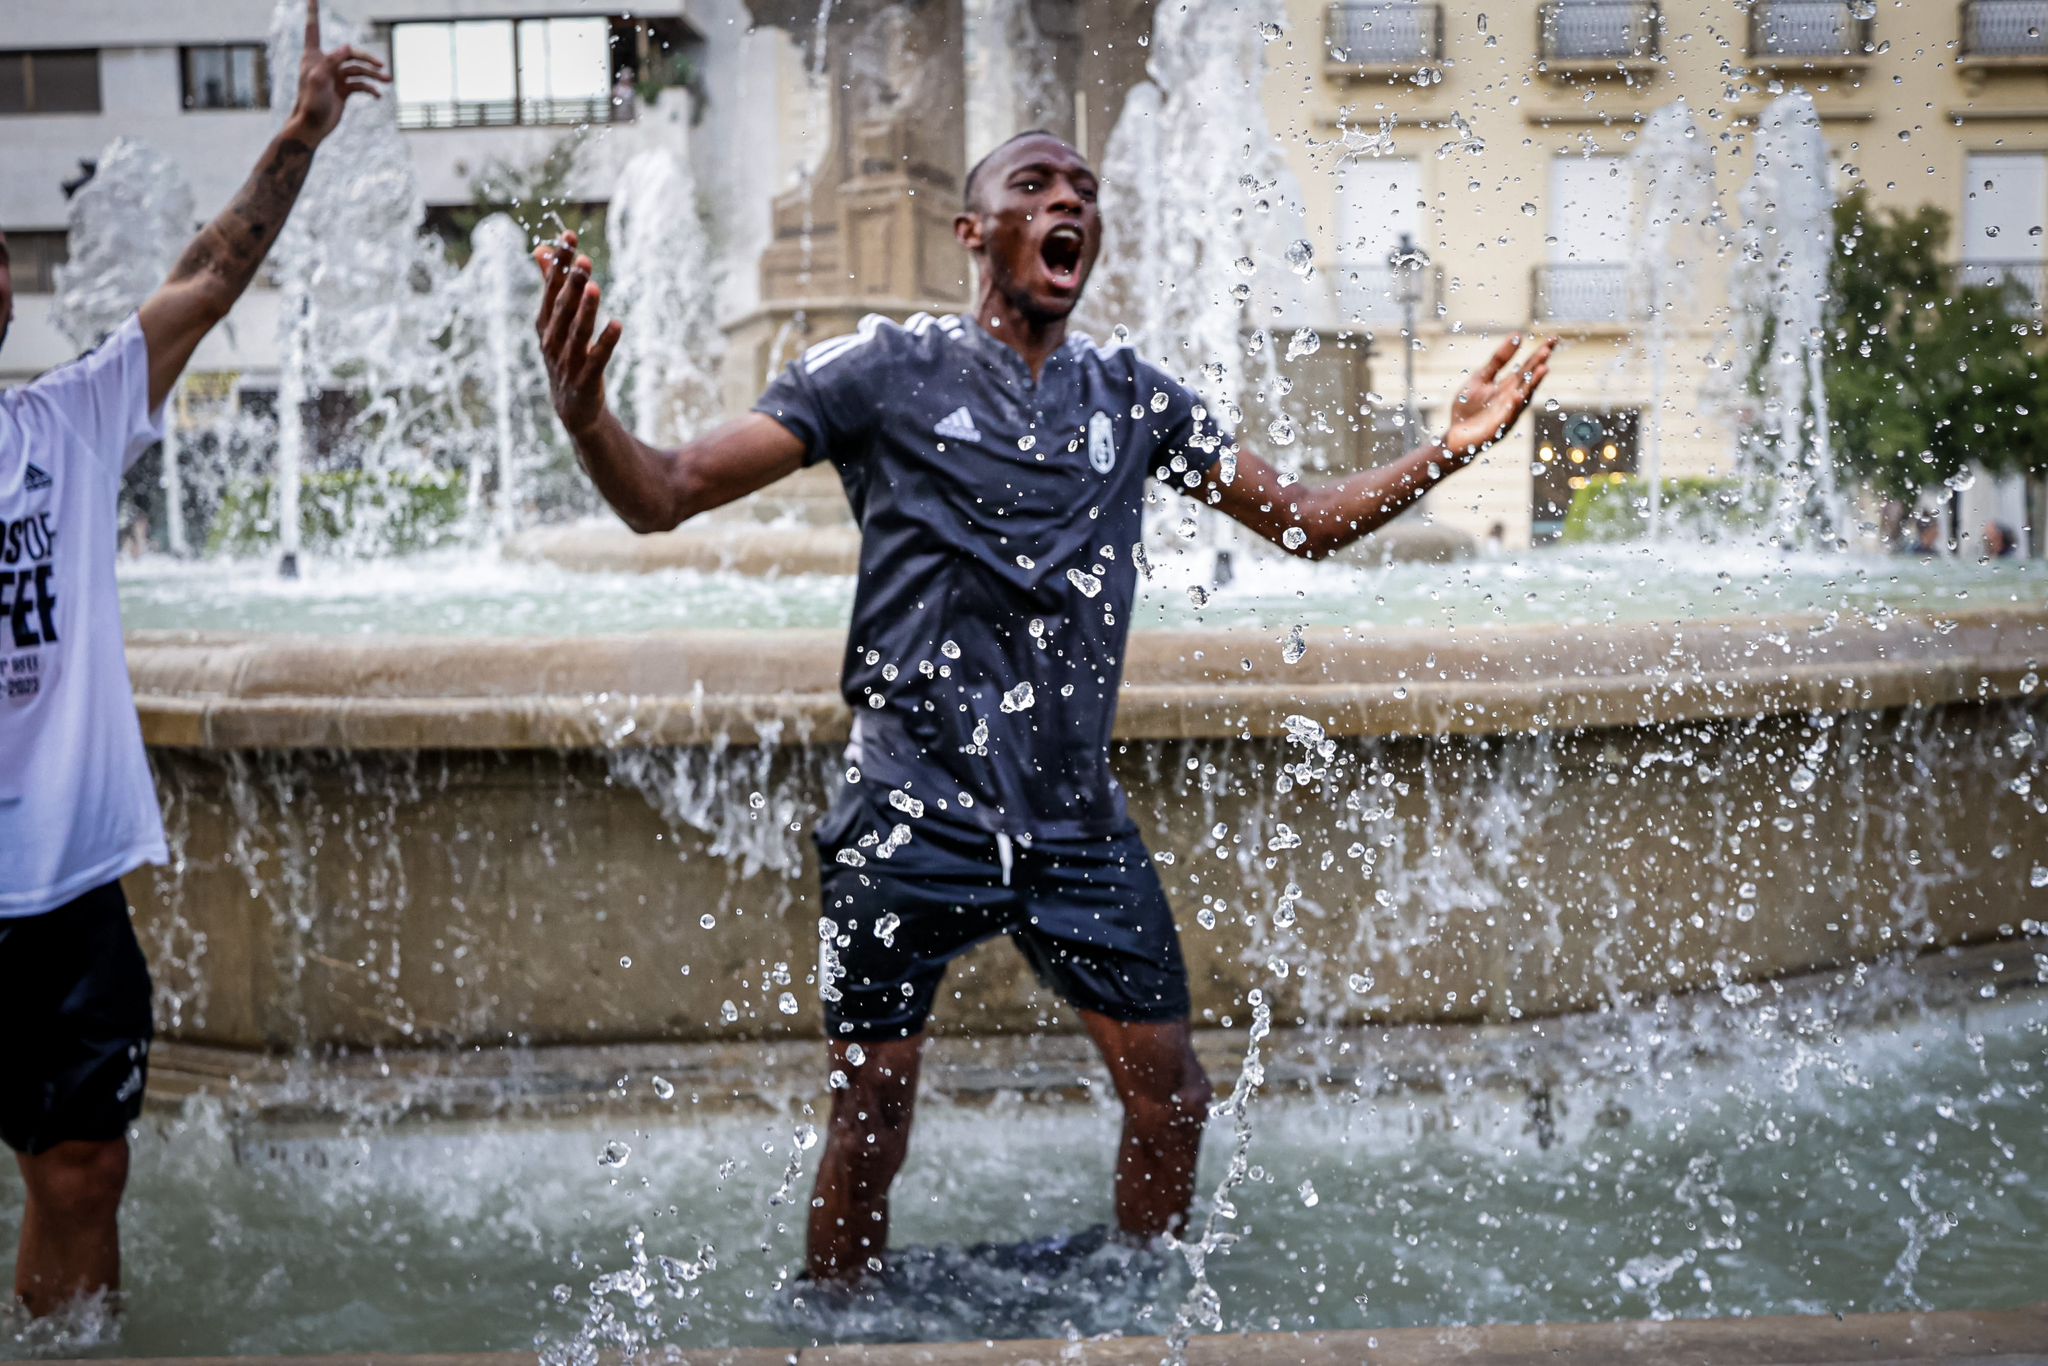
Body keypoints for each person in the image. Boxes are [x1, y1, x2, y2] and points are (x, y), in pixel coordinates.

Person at [532, 129, 1555, 1283]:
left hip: (1072, 821)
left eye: (1082, 191)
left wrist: (1445, 454)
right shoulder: (881, 369)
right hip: (910, 806)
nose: (1065, 200)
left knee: (1171, 1098)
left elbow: (1304, 520)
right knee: (870, 1118)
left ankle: (1135, 1304)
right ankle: (835, 1322)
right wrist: (584, 416)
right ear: (975, 233)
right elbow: (663, 493)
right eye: (1032, 186)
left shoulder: (1133, 399)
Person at [0, 3, 385, 1317]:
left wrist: (300, 135)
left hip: (59, 888)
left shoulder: (76, 416)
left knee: (85, 1168)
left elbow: (216, 267)